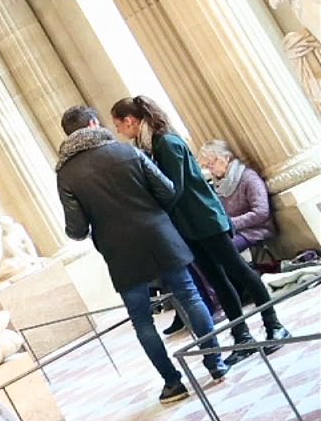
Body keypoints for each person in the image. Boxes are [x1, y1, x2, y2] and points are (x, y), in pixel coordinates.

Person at [56, 105, 228, 402]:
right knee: (190, 296)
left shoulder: (66, 174)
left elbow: (77, 230)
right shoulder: (127, 152)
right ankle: (215, 363)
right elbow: (167, 190)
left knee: (142, 320)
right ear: (94, 123)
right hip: (159, 235)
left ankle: (173, 383)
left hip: (118, 251)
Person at [110, 96, 290, 366]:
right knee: (217, 280)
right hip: (188, 225)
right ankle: (242, 336)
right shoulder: (150, 147)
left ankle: (274, 324)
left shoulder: (167, 143)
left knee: (239, 271)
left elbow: (173, 188)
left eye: (118, 125)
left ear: (130, 120)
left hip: (205, 219)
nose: (119, 132)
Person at [198, 140, 276, 253]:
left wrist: (230, 223)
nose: (210, 169)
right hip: (234, 230)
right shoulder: (219, 184)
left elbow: (261, 212)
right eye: (206, 166)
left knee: (222, 251)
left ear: (226, 158)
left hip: (255, 230)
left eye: (211, 163)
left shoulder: (248, 178)